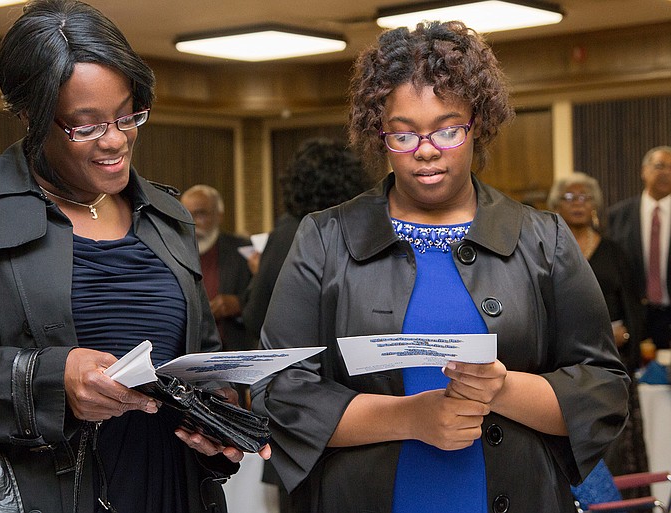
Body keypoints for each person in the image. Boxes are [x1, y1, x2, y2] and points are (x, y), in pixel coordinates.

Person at [0, 2, 269, 513]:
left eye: (128, 115)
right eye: (85, 126)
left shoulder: (167, 214)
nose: (116, 140)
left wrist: (218, 415)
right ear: (31, 115)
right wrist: (49, 378)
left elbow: (198, 358)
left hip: (168, 491)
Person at [251, 21, 629, 513]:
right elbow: (278, 391)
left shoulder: (544, 240)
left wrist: (503, 387)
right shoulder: (326, 240)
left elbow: (603, 392)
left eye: (448, 129)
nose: (426, 149)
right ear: (378, 134)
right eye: (402, 134)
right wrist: (410, 417)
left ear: (479, 123)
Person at [548, 172, 649, 493]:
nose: (578, 204)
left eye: (584, 197)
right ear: (555, 205)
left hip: (612, 364)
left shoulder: (615, 253)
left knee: (618, 449)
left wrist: (628, 338)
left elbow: (634, 310)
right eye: (569, 197)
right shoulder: (546, 250)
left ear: (594, 206)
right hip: (559, 367)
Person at [242, 137, 370, 343]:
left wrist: (258, 274)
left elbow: (255, 317)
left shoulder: (288, 233)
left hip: (301, 360)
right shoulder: (363, 229)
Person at [608, 146, 671, 350]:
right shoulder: (618, 215)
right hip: (632, 317)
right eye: (660, 166)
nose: (666, 173)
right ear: (644, 171)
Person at [180, 185, 253, 352]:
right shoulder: (171, 251)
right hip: (187, 351)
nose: (192, 221)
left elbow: (263, 299)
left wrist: (238, 305)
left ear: (219, 216)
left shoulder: (242, 250)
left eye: (200, 213)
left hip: (234, 349)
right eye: (185, 214)